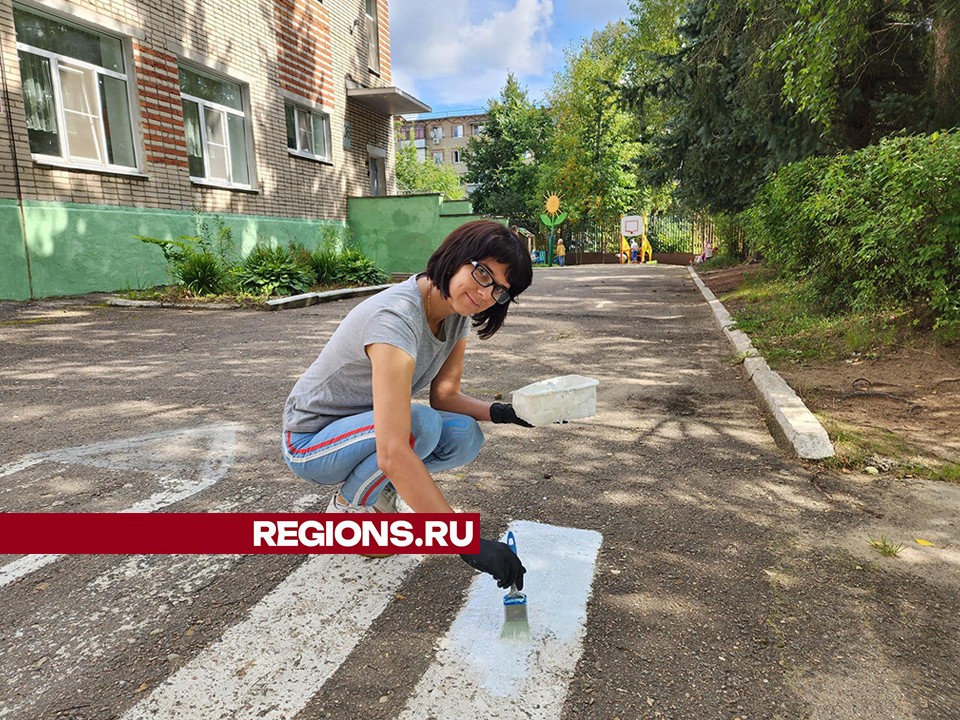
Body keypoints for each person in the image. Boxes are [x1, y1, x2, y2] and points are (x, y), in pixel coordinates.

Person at [282, 220, 533, 590]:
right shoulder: (396, 318)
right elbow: (394, 450)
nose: (485, 294)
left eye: (500, 290)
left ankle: (374, 489)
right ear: (457, 256)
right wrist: (468, 544)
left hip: (361, 430)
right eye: (482, 273)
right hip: (311, 441)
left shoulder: (454, 316)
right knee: (419, 427)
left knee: (465, 435)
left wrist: (504, 412)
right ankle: (347, 513)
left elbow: (445, 395)